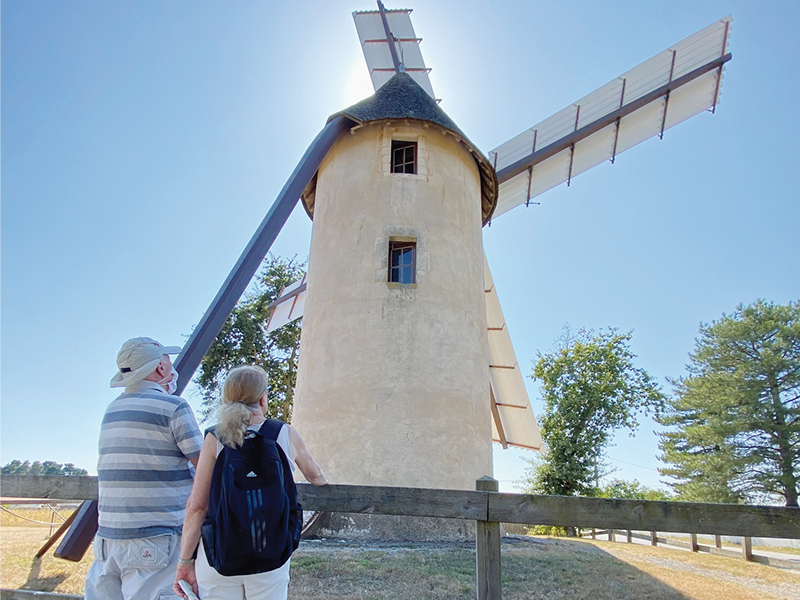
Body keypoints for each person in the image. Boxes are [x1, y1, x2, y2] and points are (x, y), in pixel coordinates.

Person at [173, 365, 327, 600]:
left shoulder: (215, 437)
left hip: (219, 554)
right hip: (271, 551)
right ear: (263, 399)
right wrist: (327, 482)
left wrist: (185, 562)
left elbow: (197, 506)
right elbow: (315, 476)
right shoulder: (284, 433)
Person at [85, 337, 204, 600]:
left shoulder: (112, 409)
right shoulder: (173, 407)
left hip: (107, 540)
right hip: (156, 539)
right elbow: (206, 467)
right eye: (168, 362)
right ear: (161, 368)